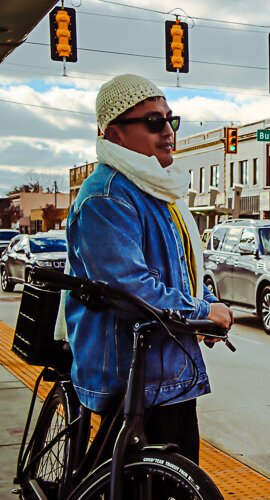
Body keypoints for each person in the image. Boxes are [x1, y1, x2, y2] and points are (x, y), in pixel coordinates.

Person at [64, 74, 233, 465]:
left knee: (177, 477)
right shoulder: (106, 197)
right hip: (131, 378)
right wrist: (201, 312)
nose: (168, 131)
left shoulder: (158, 191)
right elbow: (127, 288)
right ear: (115, 135)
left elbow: (182, 270)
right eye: (153, 122)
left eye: (171, 120)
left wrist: (205, 310)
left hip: (169, 373)